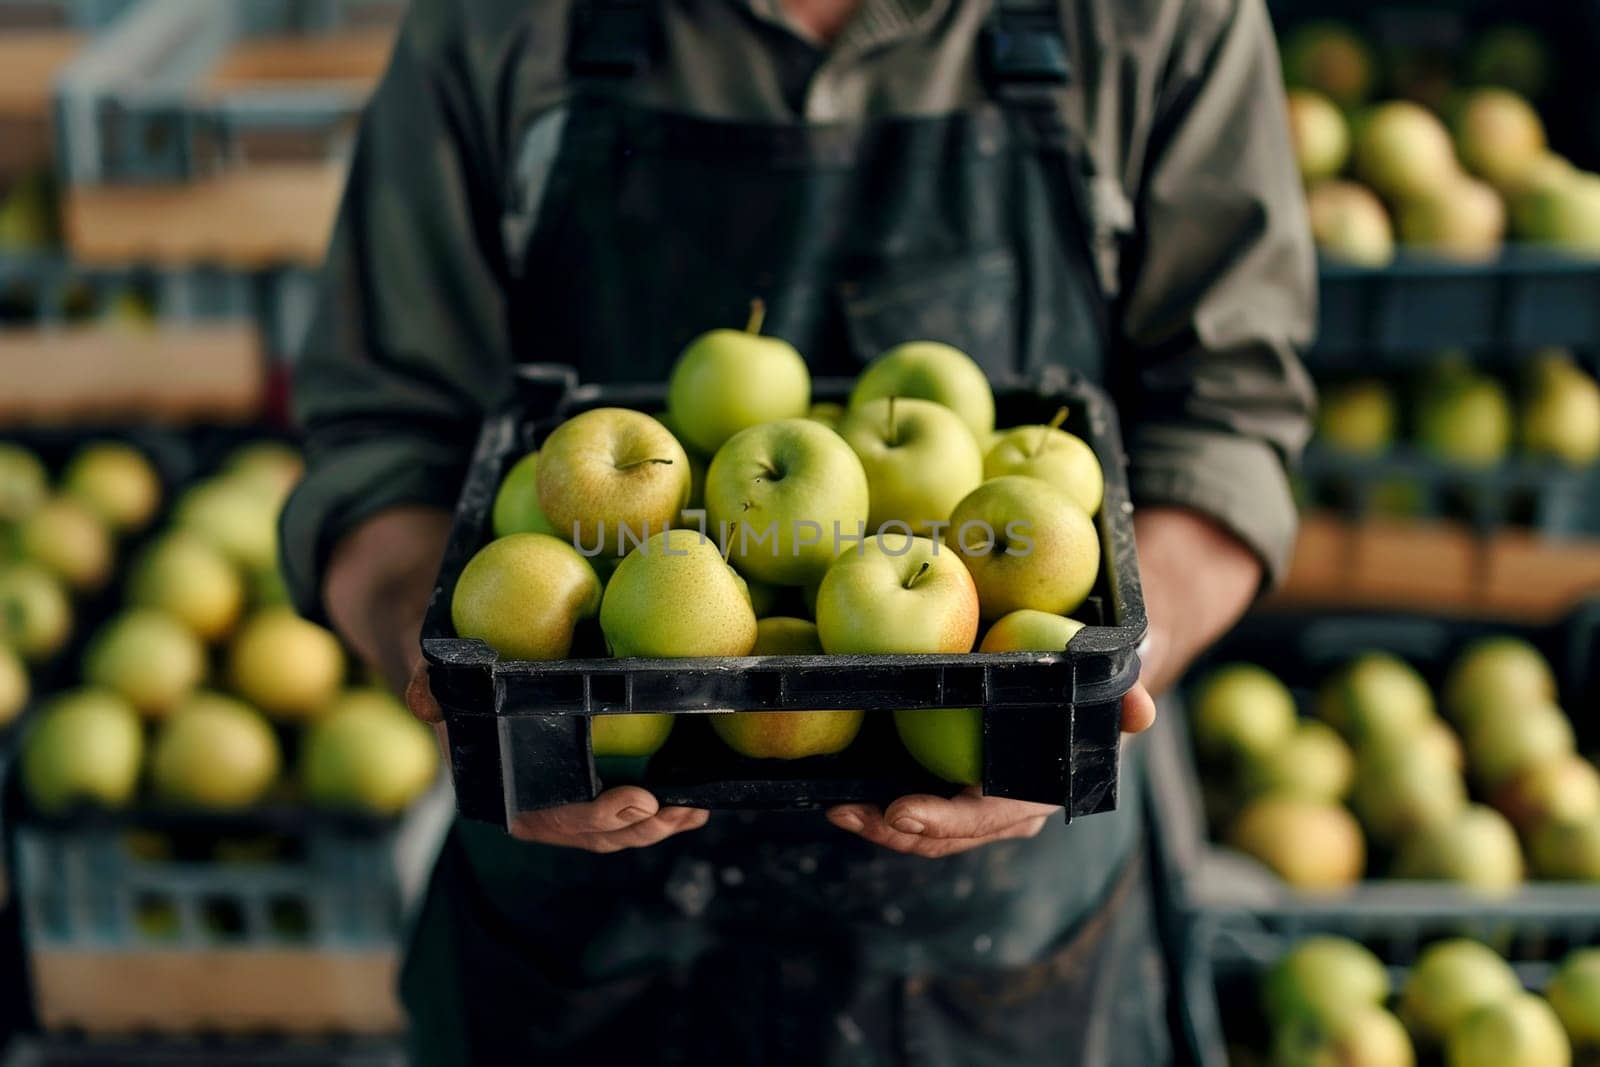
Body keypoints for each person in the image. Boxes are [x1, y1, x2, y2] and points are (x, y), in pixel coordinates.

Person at [281, 0, 1315, 1061]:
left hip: (1001, 938)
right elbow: (380, 435)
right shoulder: (495, 26)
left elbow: (1227, 422)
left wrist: (1102, 687)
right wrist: (447, 662)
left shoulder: (1159, 19)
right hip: (582, 910)